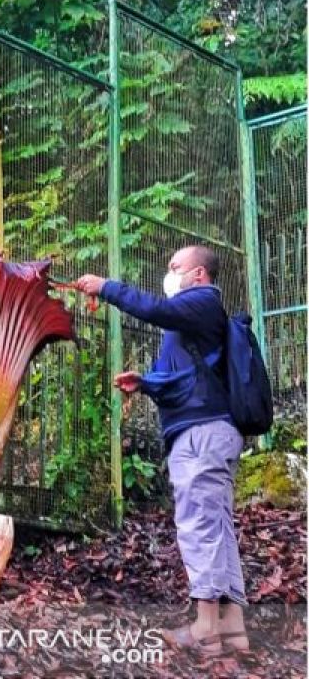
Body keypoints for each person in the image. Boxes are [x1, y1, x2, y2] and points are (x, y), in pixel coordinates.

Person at [75, 245, 248, 656]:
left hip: (201, 433)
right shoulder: (194, 317)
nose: (169, 274)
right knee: (218, 526)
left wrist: (107, 287)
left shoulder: (202, 302)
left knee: (199, 525)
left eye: (176, 267)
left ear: (200, 275)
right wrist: (148, 382)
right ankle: (233, 629)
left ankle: (206, 629)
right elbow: (185, 377)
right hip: (209, 428)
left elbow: (154, 308)